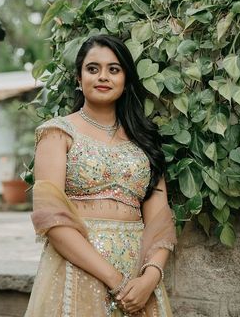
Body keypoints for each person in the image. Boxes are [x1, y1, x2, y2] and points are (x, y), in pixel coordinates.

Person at [25, 34, 176, 317]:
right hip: (78, 268)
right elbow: (53, 220)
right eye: (92, 69)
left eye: (113, 69)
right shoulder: (58, 133)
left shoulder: (144, 141)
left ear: (126, 80)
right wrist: (116, 281)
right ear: (79, 80)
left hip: (138, 276)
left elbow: (160, 221)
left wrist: (150, 277)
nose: (103, 76)